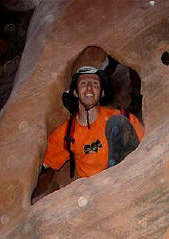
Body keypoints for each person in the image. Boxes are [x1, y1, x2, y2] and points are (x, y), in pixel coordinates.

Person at [31, 66, 144, 202]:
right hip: (96, 193)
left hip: (127, 181)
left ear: (102, 93)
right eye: (83, 84)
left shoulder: (122, 117)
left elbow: (146, 143)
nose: (89, 88)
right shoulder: (67, 132)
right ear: (75, 92)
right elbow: (40, 165)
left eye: (95, 84)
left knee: (118, 123)